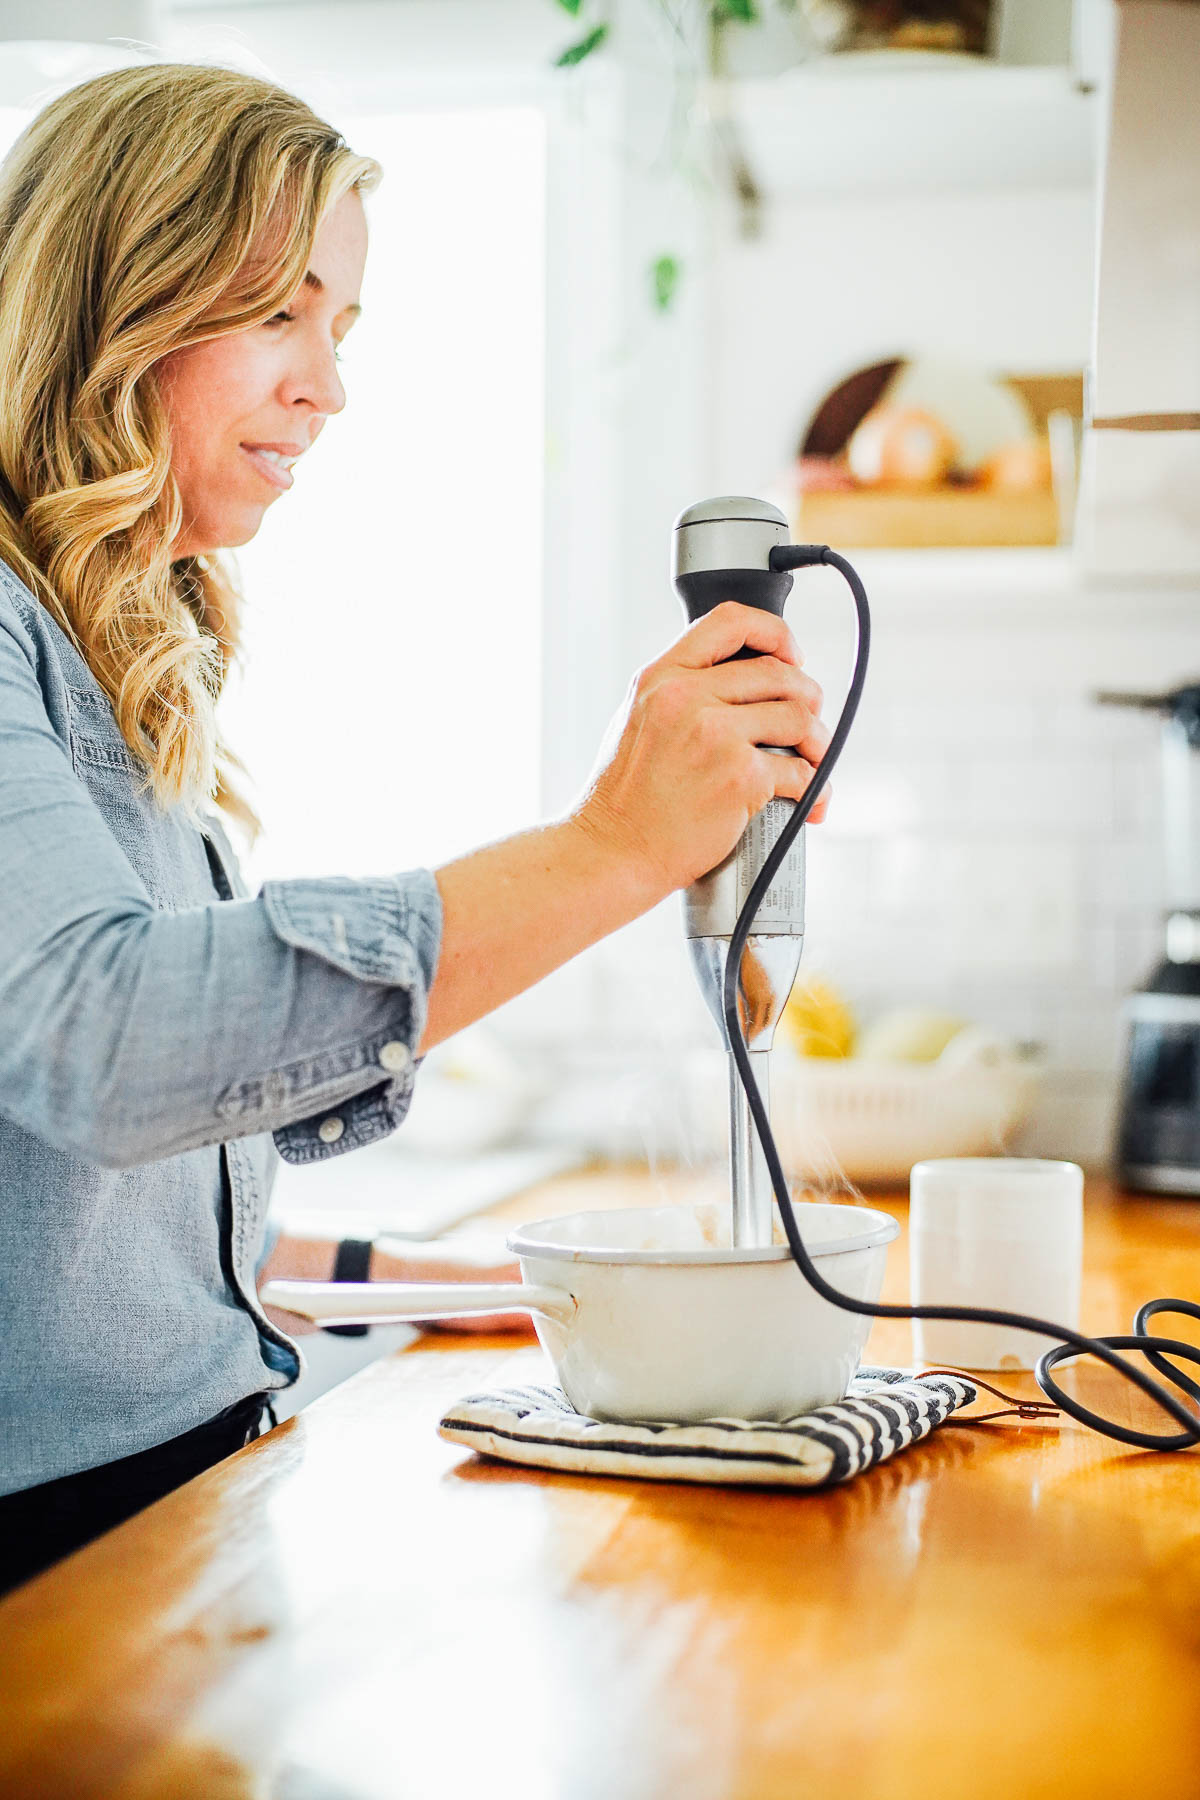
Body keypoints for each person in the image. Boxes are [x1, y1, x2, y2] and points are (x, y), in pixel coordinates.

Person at [0, 63, 830, 1591]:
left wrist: (401, 1278)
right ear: (111, 301)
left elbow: (81, 1223)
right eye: (280, 313)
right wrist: (613, 847)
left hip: (167, 1521)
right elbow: (103, 1042)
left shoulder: (121, 654)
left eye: (345, 328)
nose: (328, 385)